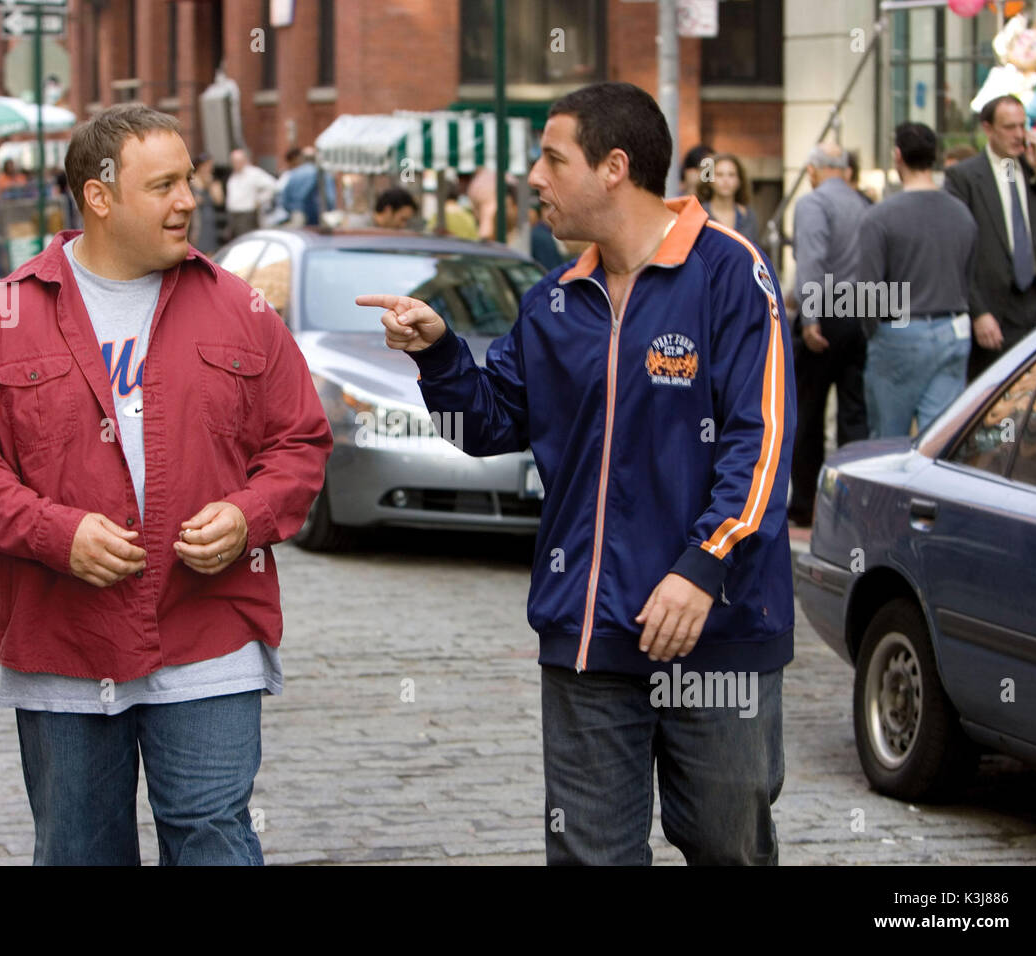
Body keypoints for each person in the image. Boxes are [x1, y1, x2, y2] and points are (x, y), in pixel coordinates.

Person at [359, 81, 795, 866]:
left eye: (552, 158)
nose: (534, 177)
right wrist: (438, 354)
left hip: (718, 633)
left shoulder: (732, 273)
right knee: (590, 857)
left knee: (728, 850)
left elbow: (759, 444)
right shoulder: (551, 302)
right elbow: (483, 427)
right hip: (586, 638)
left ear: (614, 168)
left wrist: (702, 567)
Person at [0, 102, 333, 866]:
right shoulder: (0, 318)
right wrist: (56, 533)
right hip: (66, 642)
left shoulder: (241, 309)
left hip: (210, 631)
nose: (189, 201)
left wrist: (248, 516)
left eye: (190, 181)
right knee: (80, 850)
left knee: (213, 837)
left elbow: (301, 442)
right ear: (99, 197)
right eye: (165, 185)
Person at [858, 123, 978, 438]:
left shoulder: (879, 217)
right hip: (954, 330)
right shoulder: (962, 214)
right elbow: (969, 277)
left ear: (898, 155)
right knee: (939, 442)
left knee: (888, 442)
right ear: (935, 157)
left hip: (899, 332)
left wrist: (876, 331)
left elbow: (867, 293)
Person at [944, 94, 1036, 381]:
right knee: (995, 404)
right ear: (988, 129)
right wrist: (978, 312)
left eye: (1023, 126)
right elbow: (955, 252)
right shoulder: (964, 177)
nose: (1019, 135)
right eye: (1009, 127)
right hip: (995, 312)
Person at [787, 142, 870, 526]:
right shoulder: (865, 203)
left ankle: (805, 505)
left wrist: (809, 317)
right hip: (862, 312)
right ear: (847, 170)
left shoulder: (813, 204)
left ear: (813, 171)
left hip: (826, 313)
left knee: (809, 413)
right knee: (854, 414)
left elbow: (813, 261)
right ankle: (853, 508)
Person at [696, 152, 759, 243]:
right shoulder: (699, 215)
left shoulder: (748, 216)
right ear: (709, 180)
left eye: (731, 175)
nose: (726, 180)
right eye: (719, 175)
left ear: (739, 180)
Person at [225, 148, 277, 239]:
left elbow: (272, 186)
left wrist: (259, 200)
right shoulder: (233, 176)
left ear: (244, 160)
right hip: (234, 216)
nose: (235, 164)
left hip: (247, 215)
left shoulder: (253, 173)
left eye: (238, 161)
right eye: (233, 161)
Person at [278, 146, 335, 227]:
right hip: (319, 216)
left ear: (302, 158)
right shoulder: (323, 174)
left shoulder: (294, 174)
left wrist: (292, 210)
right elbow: (330, 198)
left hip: (298, 215)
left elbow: (284, 198)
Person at [188, 152, 224, 253]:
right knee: (198, 246)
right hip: (197, 219)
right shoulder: (192, 180)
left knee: (211, 248)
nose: (209, 168)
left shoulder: (213, 180)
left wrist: (210, 184)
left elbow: (219, 200)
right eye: (207, 165)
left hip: (210, 219)